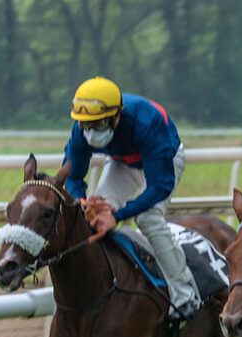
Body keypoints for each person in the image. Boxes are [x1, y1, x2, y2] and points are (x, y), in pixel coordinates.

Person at [63, 76, 200, 319]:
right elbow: (72, 177)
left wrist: (118, 215)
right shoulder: (80, 131)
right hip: (122, 162)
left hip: (163, 160)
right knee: (94, 218)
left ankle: (184, 292)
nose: (91, 133)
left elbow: (159, 187)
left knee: (148, 219)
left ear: (117, 116)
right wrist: (83, 203)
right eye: (86, 125)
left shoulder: (147, 122)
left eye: (99, 124)